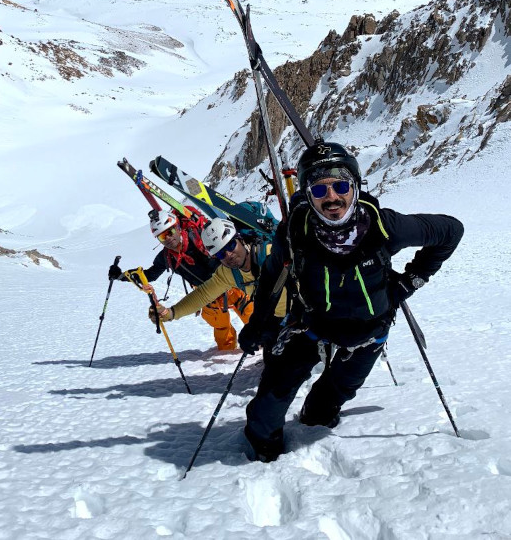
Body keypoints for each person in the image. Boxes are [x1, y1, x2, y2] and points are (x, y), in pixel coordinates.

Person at [239, 140, 464, 463]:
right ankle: (263, 454)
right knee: (268, 404)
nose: (332, 197)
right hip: (311, 326)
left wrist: (408, 282)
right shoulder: (295, 232)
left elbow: (451, 231)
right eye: (319, 190)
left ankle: (315, 418)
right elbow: (271, 277)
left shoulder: (383, 226)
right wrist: (259, 323)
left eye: (340, 186)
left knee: (329, 401)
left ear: (355, 187)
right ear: (307, 194)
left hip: (369, 331)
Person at [109, 209, 250, 350]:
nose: (168, 239)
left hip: (231, 287)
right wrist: (122, 276)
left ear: (177, 227)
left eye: (169, 232)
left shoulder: (200, 239)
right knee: (221, 328)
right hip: (206, 297)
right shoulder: (166, 257)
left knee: (254, 318)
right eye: (162, 237)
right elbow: (150, 275)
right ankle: (226, 358)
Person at [151, 217, 287, 332]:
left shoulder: (273, 254)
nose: (228, 255)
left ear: (240, 238)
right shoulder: (229, 273)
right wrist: (171, 313)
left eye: (231, 245)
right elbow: (203, 295)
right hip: (281, 322)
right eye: (221, 253)